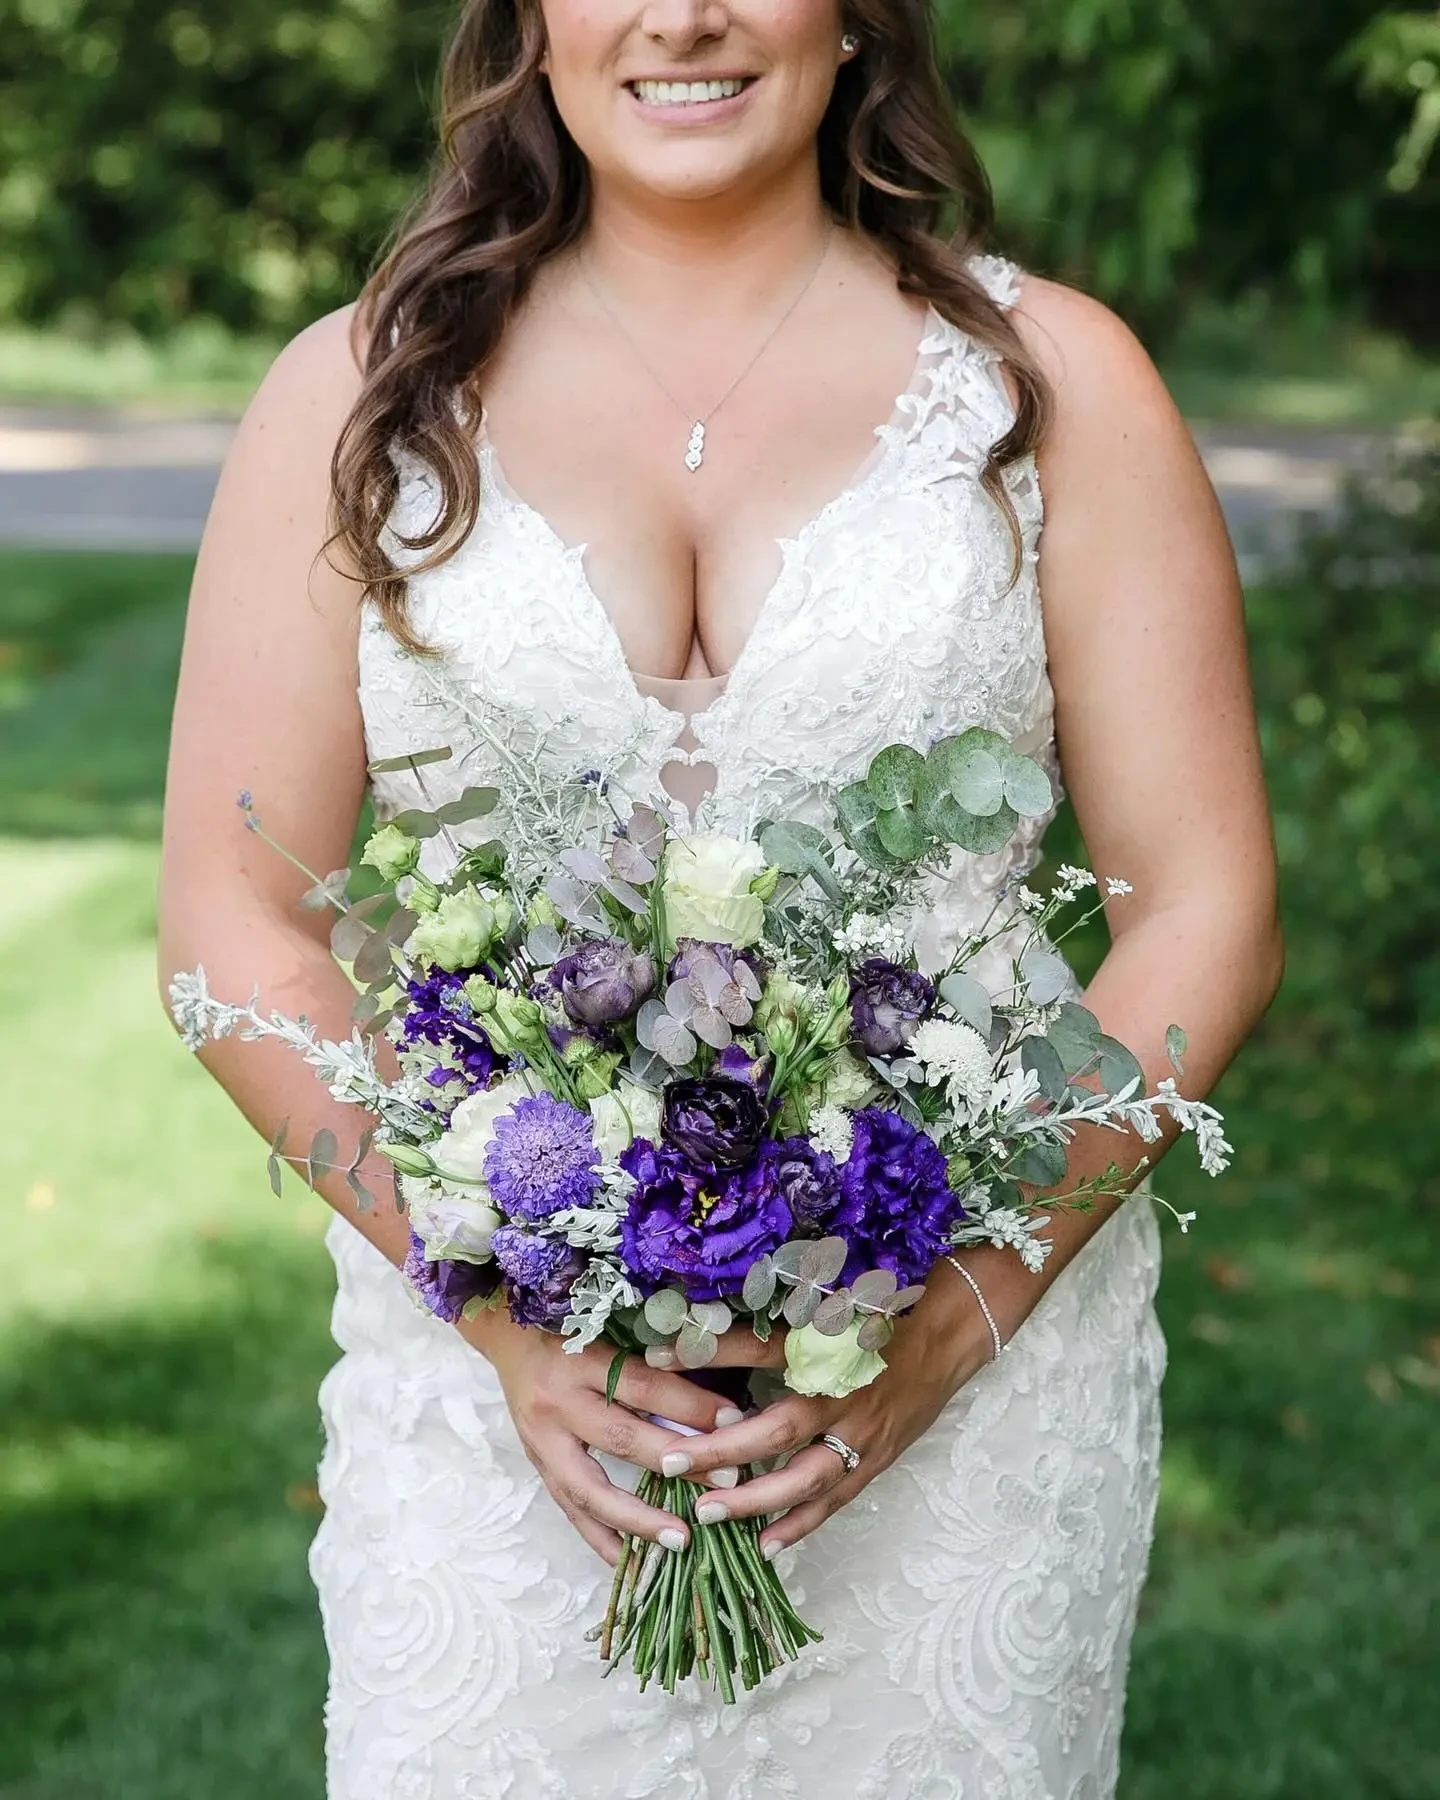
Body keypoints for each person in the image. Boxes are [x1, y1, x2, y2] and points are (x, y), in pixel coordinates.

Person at [157, 0, 1282, 1791]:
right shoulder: (358, 396)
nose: (682, 13)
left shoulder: (1056, 390)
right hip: (500, 1413)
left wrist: (957, 1312)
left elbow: (1206, 906)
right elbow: (231, 917)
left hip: (966, 1408)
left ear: (857, 20)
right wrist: (505, 1318)